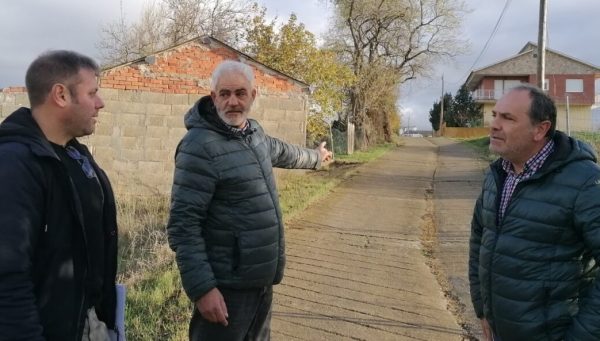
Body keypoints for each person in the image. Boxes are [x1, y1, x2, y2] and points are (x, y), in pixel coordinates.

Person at [167, 60, 333, 340]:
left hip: (260, 282)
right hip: (226, 288)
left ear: (253, 95)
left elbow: (284, 152)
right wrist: (203, 289)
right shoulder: (199, 146)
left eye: (240, 93)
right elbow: (183, 225)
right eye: (225, 94)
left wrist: (316, 157)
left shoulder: (253, 133)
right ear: (213, 97)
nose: (233, 101)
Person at [0, 51, 119, 340]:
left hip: (88, 323)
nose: (100, 103)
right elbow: (8, 275)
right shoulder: (16, 164)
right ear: (61, 95)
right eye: (93, 93)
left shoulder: (75, 154)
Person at [469, 83, 600, 340]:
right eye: (495, 115)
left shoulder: (585, 183)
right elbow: (478, 239)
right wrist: (483, 309)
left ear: (540, 129)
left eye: (507, 118)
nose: (494, 124)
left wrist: (582, 336)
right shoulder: (498, 174)